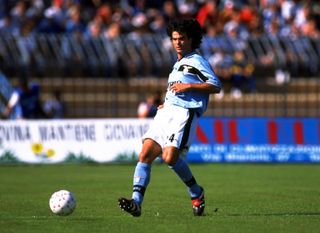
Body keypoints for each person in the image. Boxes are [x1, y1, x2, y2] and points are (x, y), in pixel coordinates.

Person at [118, 18, 222, 217]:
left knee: (169, 157)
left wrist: (189, 86)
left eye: (182, 38)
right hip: (166, 114)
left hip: (184, 114)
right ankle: (136, 202)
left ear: (191, 40)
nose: (178, 42)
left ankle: (196, 191)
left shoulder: (196, 61)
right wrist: (167, 102)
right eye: (174, 39)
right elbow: (176, 88)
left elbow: (215, 84)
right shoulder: (177, 64)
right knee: (145, 154)